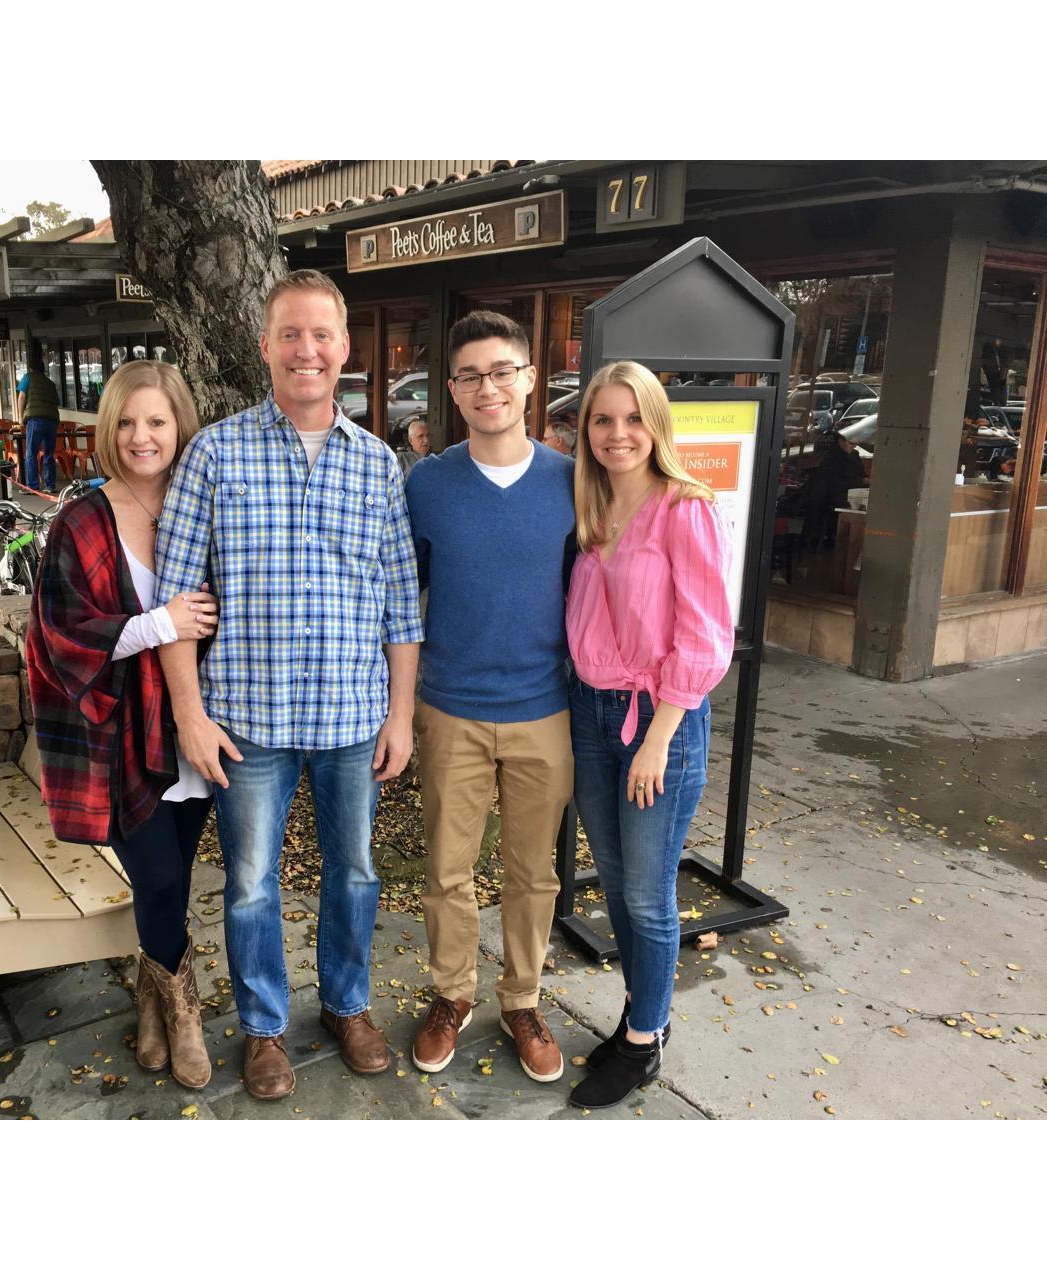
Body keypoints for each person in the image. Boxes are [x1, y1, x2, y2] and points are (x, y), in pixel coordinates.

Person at [154, 268, 424, 1101]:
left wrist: (402, 716)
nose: (307, 350)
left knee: (354, 874)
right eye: (291, 334)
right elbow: (174, 602)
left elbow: (400, 603)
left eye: (322, 335)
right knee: (249, 883)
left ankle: (347, 1006)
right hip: (249, 719)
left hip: (350, 717)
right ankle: (265, 1028)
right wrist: (190, 717)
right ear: (265, 345)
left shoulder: (378, 465)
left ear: (345, 349)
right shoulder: (216, 452)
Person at [26, 360, 222, 1089]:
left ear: (181, 427)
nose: (143, 436)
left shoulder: (203, 507)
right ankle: (183, 1012)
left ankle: (152, 998)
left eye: (158, 421)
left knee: (173, 876)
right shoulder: (83, 520)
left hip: (197, 726)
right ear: (110, 428)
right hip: (119, 737)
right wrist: (157, 624)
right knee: (162, 878)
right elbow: (60, 633)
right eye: (129, 422)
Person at [405, 311, 576, 1082]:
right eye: (471, 374)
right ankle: (451, 994)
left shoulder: (573, 482)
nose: (488, 387)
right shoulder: (428, 485)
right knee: (447, 867)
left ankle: (522, 997)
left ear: (530, 378)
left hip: (546, 708)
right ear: (453, 389)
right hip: (450, 707)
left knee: (534, 872)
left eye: (502, 370)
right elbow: (402, 599)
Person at [564, 360, 733, 1110]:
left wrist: (661, 736)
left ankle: (643, 1043)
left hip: (657, 721)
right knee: (617, 883)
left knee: (647, 891)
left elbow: (705, 635)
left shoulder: (683, 507)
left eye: (633, 419)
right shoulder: (592, 506)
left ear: (657, 424)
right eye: (603, 420)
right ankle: (643, 1014)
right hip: (591, 712)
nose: (618, 434)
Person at [803, 431, 865, 547]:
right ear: (840, 441)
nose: (853, 447)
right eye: (850, 443)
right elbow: (833, 482)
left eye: (855, 444)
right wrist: (860, 482)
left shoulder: (854, 456)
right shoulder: (831, 458)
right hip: (833, 498)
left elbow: (860, 473)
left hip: (853, 493)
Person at [17, 351, 61, 492]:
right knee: (48, 453)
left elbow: (22, 397)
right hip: (52, 420)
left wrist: (20, 417)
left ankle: (33, 486)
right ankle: (50, 485)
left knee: (31, 453)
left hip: (35, 419)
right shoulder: (50, 383)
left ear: (30, 369)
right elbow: (56, 402)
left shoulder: (28, 378)